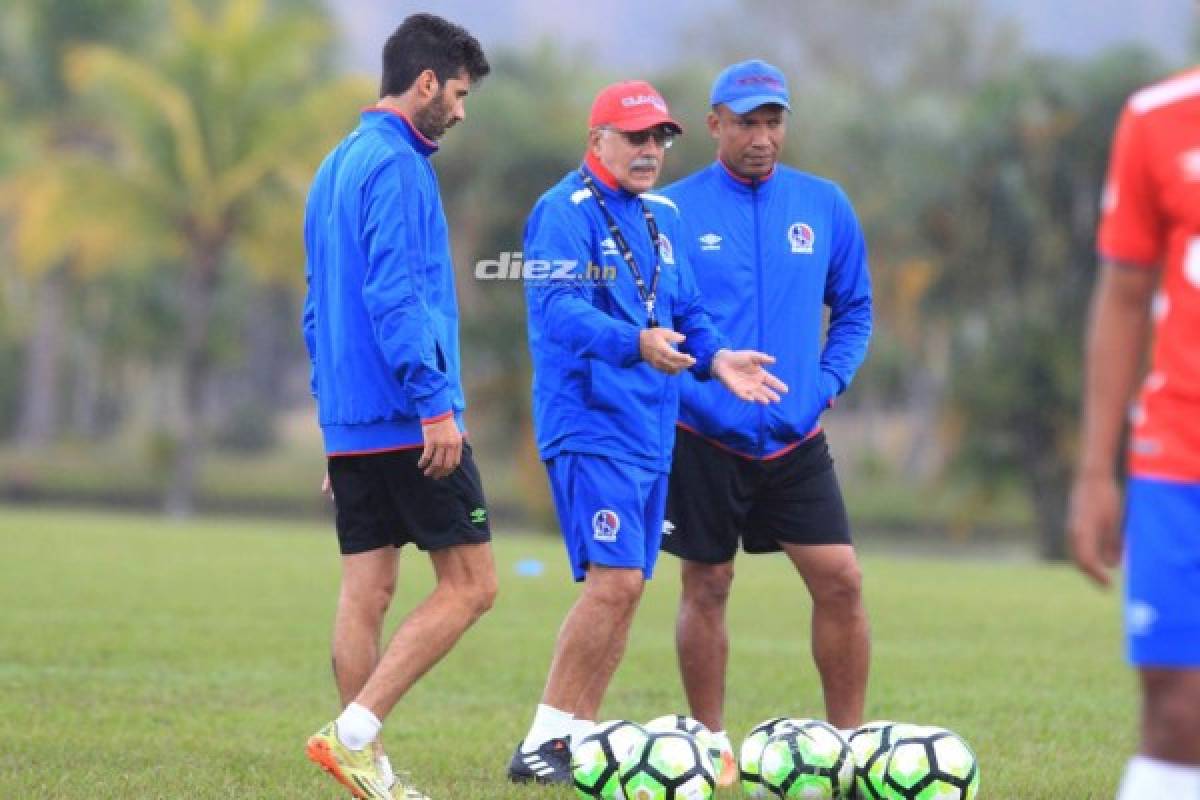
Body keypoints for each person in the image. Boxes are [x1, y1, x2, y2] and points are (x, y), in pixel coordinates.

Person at [507, 79, 788, 785]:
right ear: (595, 140)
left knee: (628, 587)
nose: (649, 150)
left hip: (651, 429)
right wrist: (635, 342)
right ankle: (544, 739)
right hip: (591, 421)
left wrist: (718, 357)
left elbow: (688, 308)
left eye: (659, 137)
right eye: (634, 136)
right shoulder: (559, 212)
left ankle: (572, 741)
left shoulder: (661, 214)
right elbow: (558, 307)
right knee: (614, 582)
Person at [658, 59, 874, 783]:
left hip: (795, 437)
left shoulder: (825, 204)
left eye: (773, 120)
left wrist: (824, 384)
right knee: (708, 584)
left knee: (840, 579)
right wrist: (697, 390)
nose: (761, 136)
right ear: (715, 123)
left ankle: (850, 747)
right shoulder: (673, 211)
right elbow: (654, 324)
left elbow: (855, 310)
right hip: (704, 434)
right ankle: (711, 747)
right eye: (746, 121)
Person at [300, 14, 495, 800]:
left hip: (353, 423)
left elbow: (317, 308)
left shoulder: (334, 165)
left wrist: (332, 425)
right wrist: (435, 404)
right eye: (456, 93)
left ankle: (366, 772)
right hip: (409, 417)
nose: (459, 110)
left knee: (366, 592)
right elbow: (395, 294)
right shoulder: (401, 167)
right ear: (424, 83)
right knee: (474, 585)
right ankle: (352, 735)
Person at [1067, 66, 1200, 800]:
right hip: (1180, 458)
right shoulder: (1158, 119)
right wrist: (1094, 473)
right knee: (1178, 711)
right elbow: (1122, 299)